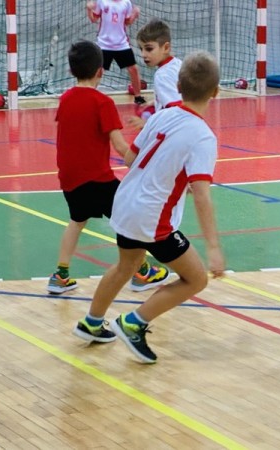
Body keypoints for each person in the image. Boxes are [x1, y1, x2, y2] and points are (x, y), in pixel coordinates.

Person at [73, 51, 225, 363]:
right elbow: (201, 194)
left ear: (178, 87)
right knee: (196, 279)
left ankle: (91, 322)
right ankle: (134, 323)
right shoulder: (202, 137)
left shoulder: (161, 116)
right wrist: (213, 248)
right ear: (215, 92)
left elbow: (131, 158)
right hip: (152, 217)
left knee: (126, 266)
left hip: (126, 204)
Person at [47, 40, 169, 294]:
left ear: (71, 71)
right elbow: (120, 146)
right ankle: (142, 272)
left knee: (77, 221)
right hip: (97, 179)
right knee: (130, 219)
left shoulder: (65, 99)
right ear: (101, 71)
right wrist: (143, 165)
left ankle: (60, 275)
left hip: (69, 178)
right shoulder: (102, 103)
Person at [86, 0, 146, 105]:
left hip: (121, 44)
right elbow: (93, 19)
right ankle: (88, 97)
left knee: (133, 69)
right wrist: (89, 9)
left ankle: (138, 97)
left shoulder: (126, 3)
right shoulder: (102, 2)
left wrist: (134, 15)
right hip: (104, 44)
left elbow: (127, 22)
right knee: (98, 71)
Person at [127, 18, 182, 130]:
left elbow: (175, 111)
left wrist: (147, 124)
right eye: (141, 49)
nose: (143, 54)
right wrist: (157, 102)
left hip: (174, 130)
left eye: (149, 49)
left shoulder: (162, 75)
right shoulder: (178, 64)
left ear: (166, 48)